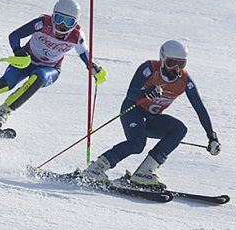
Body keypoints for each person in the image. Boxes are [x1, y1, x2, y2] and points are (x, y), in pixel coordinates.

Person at [0, 0, 107, 135]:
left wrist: (93, 68)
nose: (62, 25)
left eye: (68, 22)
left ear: (75, 23)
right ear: (53, 16)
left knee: (39, 77)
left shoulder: (77, 36)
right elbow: (15, 35)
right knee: (7, 82)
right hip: (27, 61)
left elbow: (85, 55)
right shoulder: (43, 23)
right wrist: (18, 52)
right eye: (58, 19)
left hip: (50, 69)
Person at [81, 40, 221, 189]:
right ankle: (96, 168)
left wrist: (211, 137)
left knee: (179, 129)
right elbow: (130, 94)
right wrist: (145, 93)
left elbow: (199, 108)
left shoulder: (185, 80)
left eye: (180, 64)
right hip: (133, 111)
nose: (175, 69)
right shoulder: (149, 68)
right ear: (162, 59)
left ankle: (144, 172)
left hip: (151, 118)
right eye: (171, 62)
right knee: (137, 143)